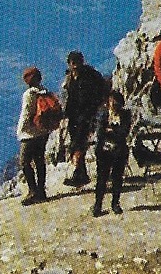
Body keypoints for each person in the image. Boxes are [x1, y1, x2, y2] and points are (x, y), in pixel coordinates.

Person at [61, 51, 107, 188]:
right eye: (72, 63)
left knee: (78, 144)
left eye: (77, 63)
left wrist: (95, 108)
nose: (75, 66)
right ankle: (81, 174)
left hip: (87, 115)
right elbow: (69, 98)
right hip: (74, 116)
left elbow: (100, 91)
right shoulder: (69, 79)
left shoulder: (90, 76)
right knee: (76, 143)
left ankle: (78, 174)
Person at [17, 67, 55, 204]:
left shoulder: (29, 94)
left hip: (29, 134)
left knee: (24, 162)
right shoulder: (45, 92)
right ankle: (41, 191)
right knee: (39, 161)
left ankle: (32, 191)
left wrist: (21, 130)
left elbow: (27, 113)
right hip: (43, 132)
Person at [92, 90, 132, 217]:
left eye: (116, 101)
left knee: (117, 178)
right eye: (112, 101)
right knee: (102, 179)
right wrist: (113, 132)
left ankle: (115, 203)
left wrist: (111, 130)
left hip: (119, 151)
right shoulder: (102, 114)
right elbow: (100, 133)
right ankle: (98, 205)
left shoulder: (125, 115)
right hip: (104, 151)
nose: (114, 104)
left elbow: (124, 132)